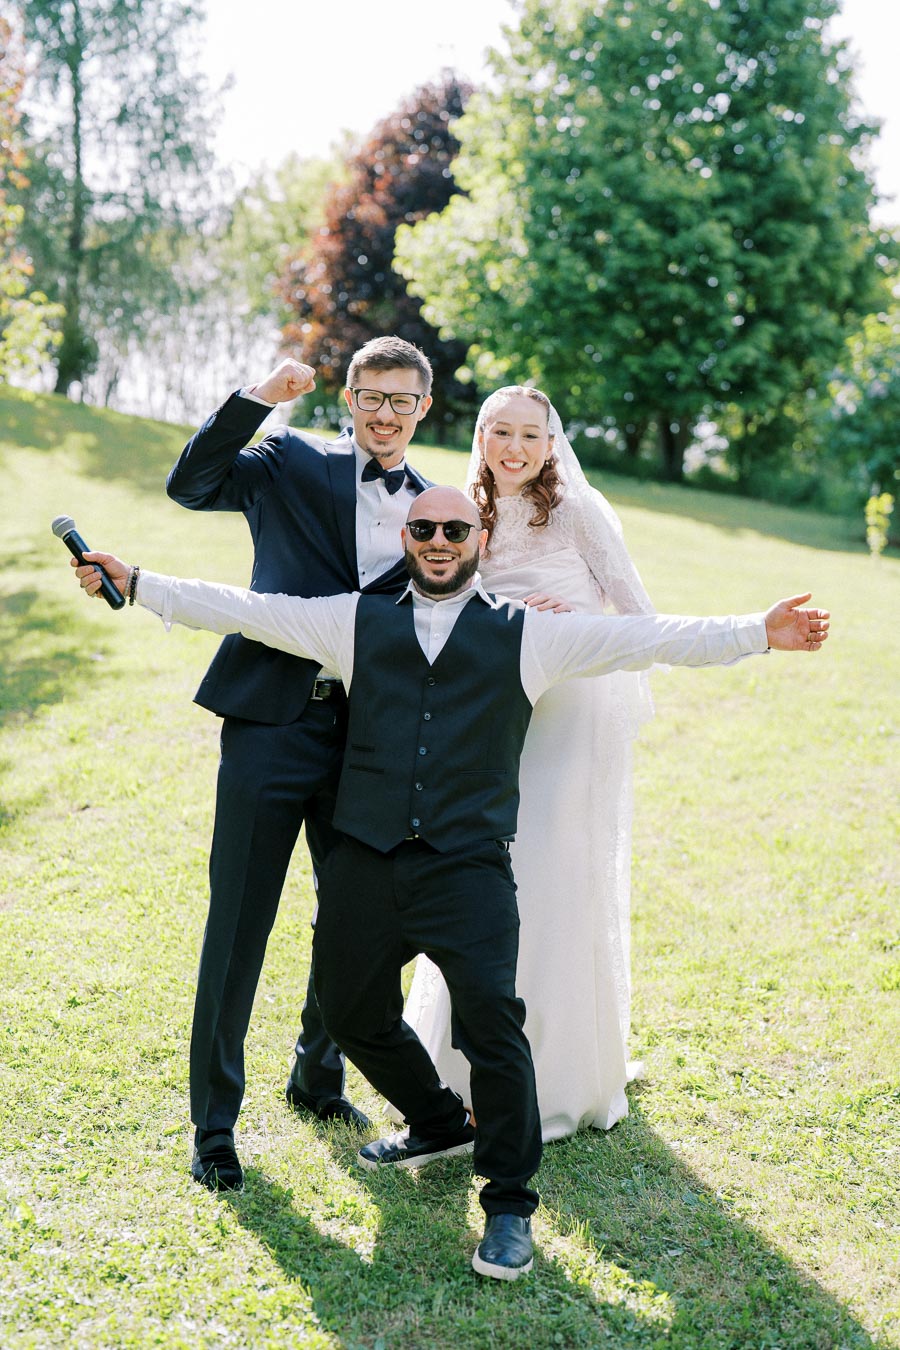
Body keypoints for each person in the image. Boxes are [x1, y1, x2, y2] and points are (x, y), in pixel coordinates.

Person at [71, 485, 829, 1279]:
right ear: (407, 536)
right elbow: (246, 608)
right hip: (366, 861)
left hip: (467, 867)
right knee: (347, 1007)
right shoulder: (352, 622)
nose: (439, 539)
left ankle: (507, 1208)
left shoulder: (530, 634)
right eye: (424, 527)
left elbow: (647, 637)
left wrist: (759, 632)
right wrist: (141, 579)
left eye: (455, 528)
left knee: (493, 1028)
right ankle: (438, 1118)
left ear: (477, 537)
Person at [164, 336, 433, 1192]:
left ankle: (318, 1077)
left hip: (367, 744)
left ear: (424, 409)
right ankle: (214, 1126)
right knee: (238, 922)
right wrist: (256, 398)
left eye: (402, 400)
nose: (384, 413)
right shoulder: (286, 457)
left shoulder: (441, 509)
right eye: (371, 396)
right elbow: (190, 486)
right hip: (268, 725)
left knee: (356, 922)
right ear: (348, 398)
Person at [403, 386, 654, 1139]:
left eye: (529, 435)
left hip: (568, 708)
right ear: (480, 437)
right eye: (500, 432)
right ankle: (455, 1070)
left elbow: (638, 616)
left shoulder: (579, 511)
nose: (514, 447)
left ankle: (556, 1074)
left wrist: (570, 624)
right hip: (490, 715)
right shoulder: (461, 512)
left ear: (551, 444)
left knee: (547, 869)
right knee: (478, 876)